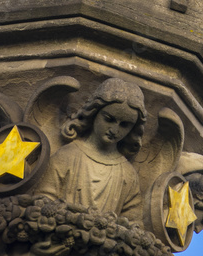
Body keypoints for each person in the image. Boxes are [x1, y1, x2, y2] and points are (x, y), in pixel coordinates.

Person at [39, 78, 146, 221]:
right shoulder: (67, 156)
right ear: (93, 113)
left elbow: (133, 222)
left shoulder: (128, 174)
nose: (114, 130)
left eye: (125, 125)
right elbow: (43, 201)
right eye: (109, 119)